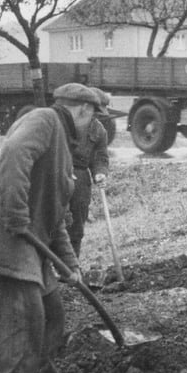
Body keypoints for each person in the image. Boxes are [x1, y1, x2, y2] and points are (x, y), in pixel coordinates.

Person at [0, 83, 106, 373]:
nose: (95, 127)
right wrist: (17, 215)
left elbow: (54, 215)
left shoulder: (64, 142)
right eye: (94, 117)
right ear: (83, 110)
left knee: (52, 315)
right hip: (12, 240)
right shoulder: (45, 120)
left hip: (35, 245)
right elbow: (15, 153)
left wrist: (70, 265)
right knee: (25, 321)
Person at [67, 87, 110, 257]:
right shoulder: (65, 123)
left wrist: (100, 172)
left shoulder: (98, 130)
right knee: (55, 221)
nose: (95, 116)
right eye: (94, 111)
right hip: (59, 174)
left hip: (81, 177)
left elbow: (101, 156)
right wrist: (63, 168)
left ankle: (72, 266)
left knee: (77, 222)